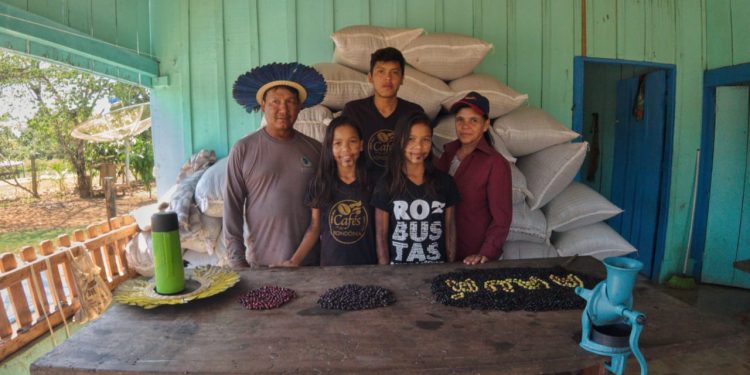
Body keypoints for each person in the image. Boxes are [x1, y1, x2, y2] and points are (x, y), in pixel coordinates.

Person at [223, 62, 327, 268]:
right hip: (261, 264)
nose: (283, 109)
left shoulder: (316, 150)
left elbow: (322, 211)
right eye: (275, 102)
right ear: (263, 105)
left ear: (300, 107)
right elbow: (232, 208)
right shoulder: (243, 149)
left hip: (307, 265)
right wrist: (237, 261)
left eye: (290, 102)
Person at [273, 116, 377, 267]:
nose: (346, 149)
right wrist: (293, 261)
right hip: (330, 269)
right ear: (329, 147)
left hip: (368, 268)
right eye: (337, 143)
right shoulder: (320, 183)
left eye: (352, 142)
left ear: (361, 145)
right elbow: (315, 228)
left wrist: (383, 265)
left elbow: (381, 230)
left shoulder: (373, 183)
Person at [371, 111, 459, 265]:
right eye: (410, 139)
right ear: (400, 141)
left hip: (436, 270)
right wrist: (384, 272)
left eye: (425, 139)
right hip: (398, 272)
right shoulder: (386, 184)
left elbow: (450, 228)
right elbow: (381, 234)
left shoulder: (445, 182)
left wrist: (449, 267)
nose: (418, 147)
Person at [435, 92, 512, 265]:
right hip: (441, 248)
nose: (465, 126)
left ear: (486, 125)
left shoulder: (495, 164)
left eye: (473, 120)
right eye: (460, 120)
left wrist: (486, 253)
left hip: (472, 256)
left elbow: (501, 218)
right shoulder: (448, 154)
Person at [342, 47, 423, 180]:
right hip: (363, 186)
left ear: (402, 78)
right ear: (370, 77)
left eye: (394, 72)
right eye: (381, 72)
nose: (388, 78)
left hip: (402, 188)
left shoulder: (413, 113)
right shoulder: (354, 111)